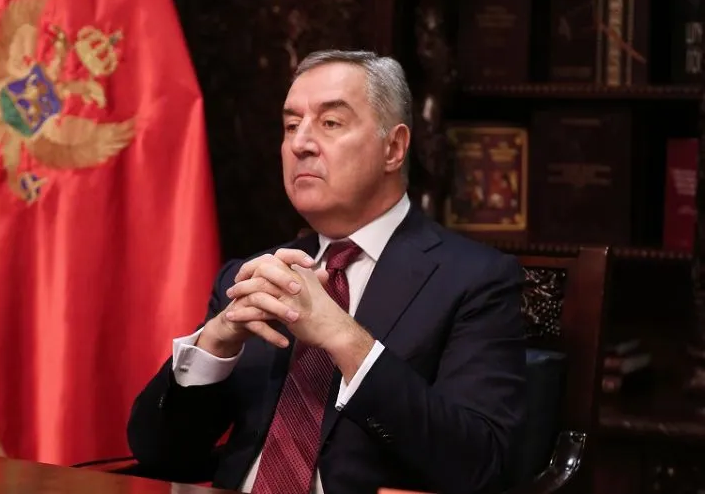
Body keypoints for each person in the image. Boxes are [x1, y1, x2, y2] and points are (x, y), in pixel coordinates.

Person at [127, 49, 527, 494]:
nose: (301, 144)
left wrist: (345, 338)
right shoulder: (254, 277)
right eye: (291, 126)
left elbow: (479, 464)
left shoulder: (474, 279)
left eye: (330, 123)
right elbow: (159, 455)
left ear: (393, 148)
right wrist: (214, 344)